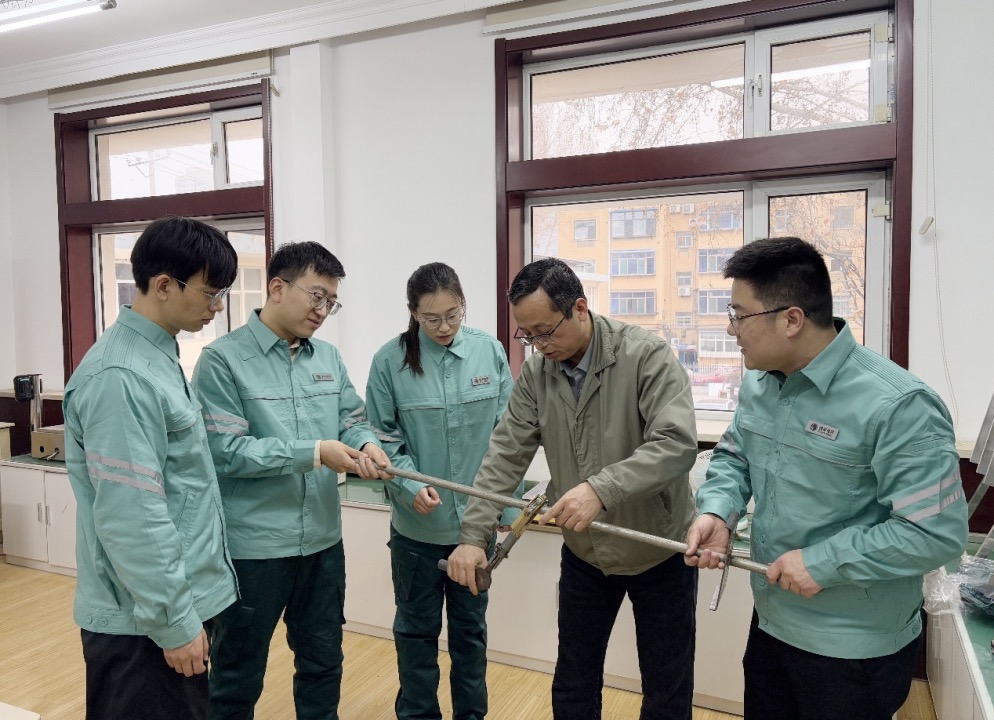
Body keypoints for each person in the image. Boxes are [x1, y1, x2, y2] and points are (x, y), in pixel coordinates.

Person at [685, 236, 968, 720]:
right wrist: (718, 511)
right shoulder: (760, 382)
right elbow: (734, 455)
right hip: (772, 622)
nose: (731, 329)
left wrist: (823, 562)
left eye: (739, 315)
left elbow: (935, 535)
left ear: (791, 319)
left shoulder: (898, 405)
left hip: (853, 647)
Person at [447, 258, 699, 719]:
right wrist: (472, 536)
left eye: (545, 332)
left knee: (667, 688)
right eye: (528, 336)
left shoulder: (645, 355)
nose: (539, 346)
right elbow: (505, 454)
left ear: (580, 308)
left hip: (659, 550)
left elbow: (676, 444)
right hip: (586, 553)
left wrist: (601, 490)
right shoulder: (537, 374)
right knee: (574, 682)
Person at [191, 241, 392, 720]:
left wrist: (366, 443)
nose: (323, 310)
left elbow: (352, 420)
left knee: (323, 662)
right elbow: (225, 451)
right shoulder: (222, 361)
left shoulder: (328, 358)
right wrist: (315, 452)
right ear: (277, 288)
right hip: (254, 549)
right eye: (317, 296)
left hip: (322, 542)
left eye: (331, 302)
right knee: (237, 674)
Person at [63, 217, 240, 720]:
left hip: (166, 607)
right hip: (142, 625)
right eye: (210, 293)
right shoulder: (120, 376)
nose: (217, 307)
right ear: (164, 285)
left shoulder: (157, 355)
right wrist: (175, 621)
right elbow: (133, 517)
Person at [364, 262, 515, 720]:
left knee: (470, 637)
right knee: (415, 636)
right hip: (417, 531)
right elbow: (381, 437)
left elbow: (509, 437)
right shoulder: (389, 362)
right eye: (432, 318)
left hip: (475, 530)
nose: (445, 326)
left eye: (453, 315)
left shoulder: (489, 352)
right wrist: (409, 484)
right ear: (413, 313)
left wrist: (505, 507)